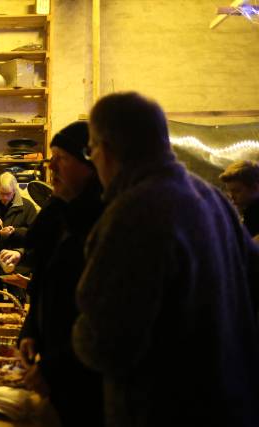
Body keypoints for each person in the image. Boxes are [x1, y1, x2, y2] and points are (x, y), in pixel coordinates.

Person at [73, 92, 259, 427]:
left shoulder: (133, 213)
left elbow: (107, 342)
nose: (93, 160)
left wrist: (75, 333)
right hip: (232, 402)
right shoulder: (213, 199)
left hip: (165, 410)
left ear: (108, 149)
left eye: (91, 150)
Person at [0, 121, 104, 426]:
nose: (51, 166)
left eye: (63, 158)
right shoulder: (58, 215)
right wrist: (31, 330)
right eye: (51, 157)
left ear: (90, 164)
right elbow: (46, 286)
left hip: (86, 382)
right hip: (56, 368)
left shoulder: (103, 222)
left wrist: (56, 367)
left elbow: (99, 317)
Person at [219, 160, 259, 239]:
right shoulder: (248, 212)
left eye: (236, 191)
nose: (232, 196)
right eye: (229, 191)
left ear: (255, 188)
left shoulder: (254, 216)